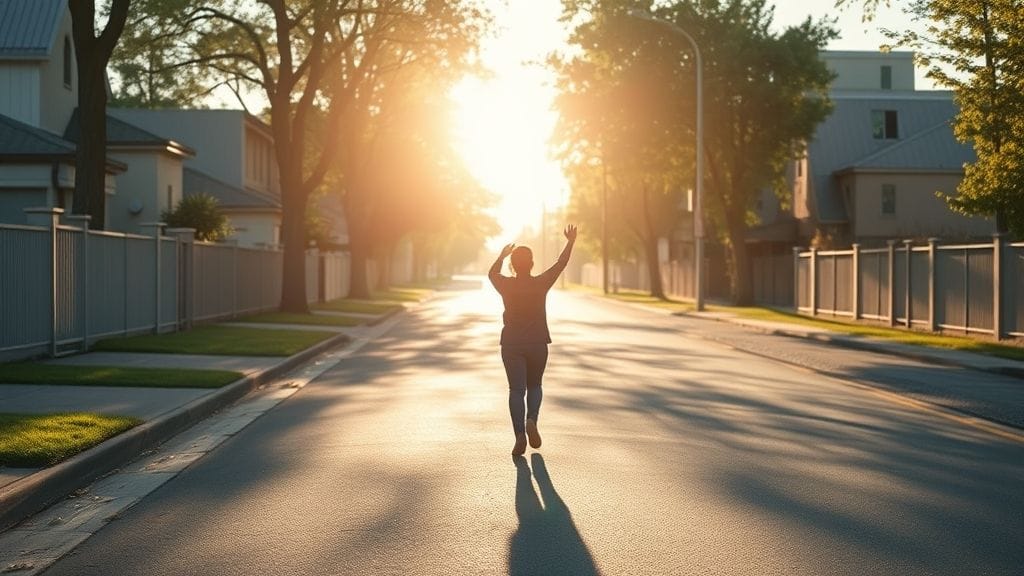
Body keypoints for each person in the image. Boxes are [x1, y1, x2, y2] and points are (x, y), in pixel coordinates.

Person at [488, 224, 577, 456]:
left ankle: (519, 434)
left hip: (512, 344)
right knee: (535, 385)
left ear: (512, 265)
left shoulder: (506, 285)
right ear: (532, 264)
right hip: (537, 342)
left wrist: (501, 256)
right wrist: (570, 241)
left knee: (516, 390)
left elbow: (491, 274)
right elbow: (560, 264)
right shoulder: (540, 283)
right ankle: (532, 420)